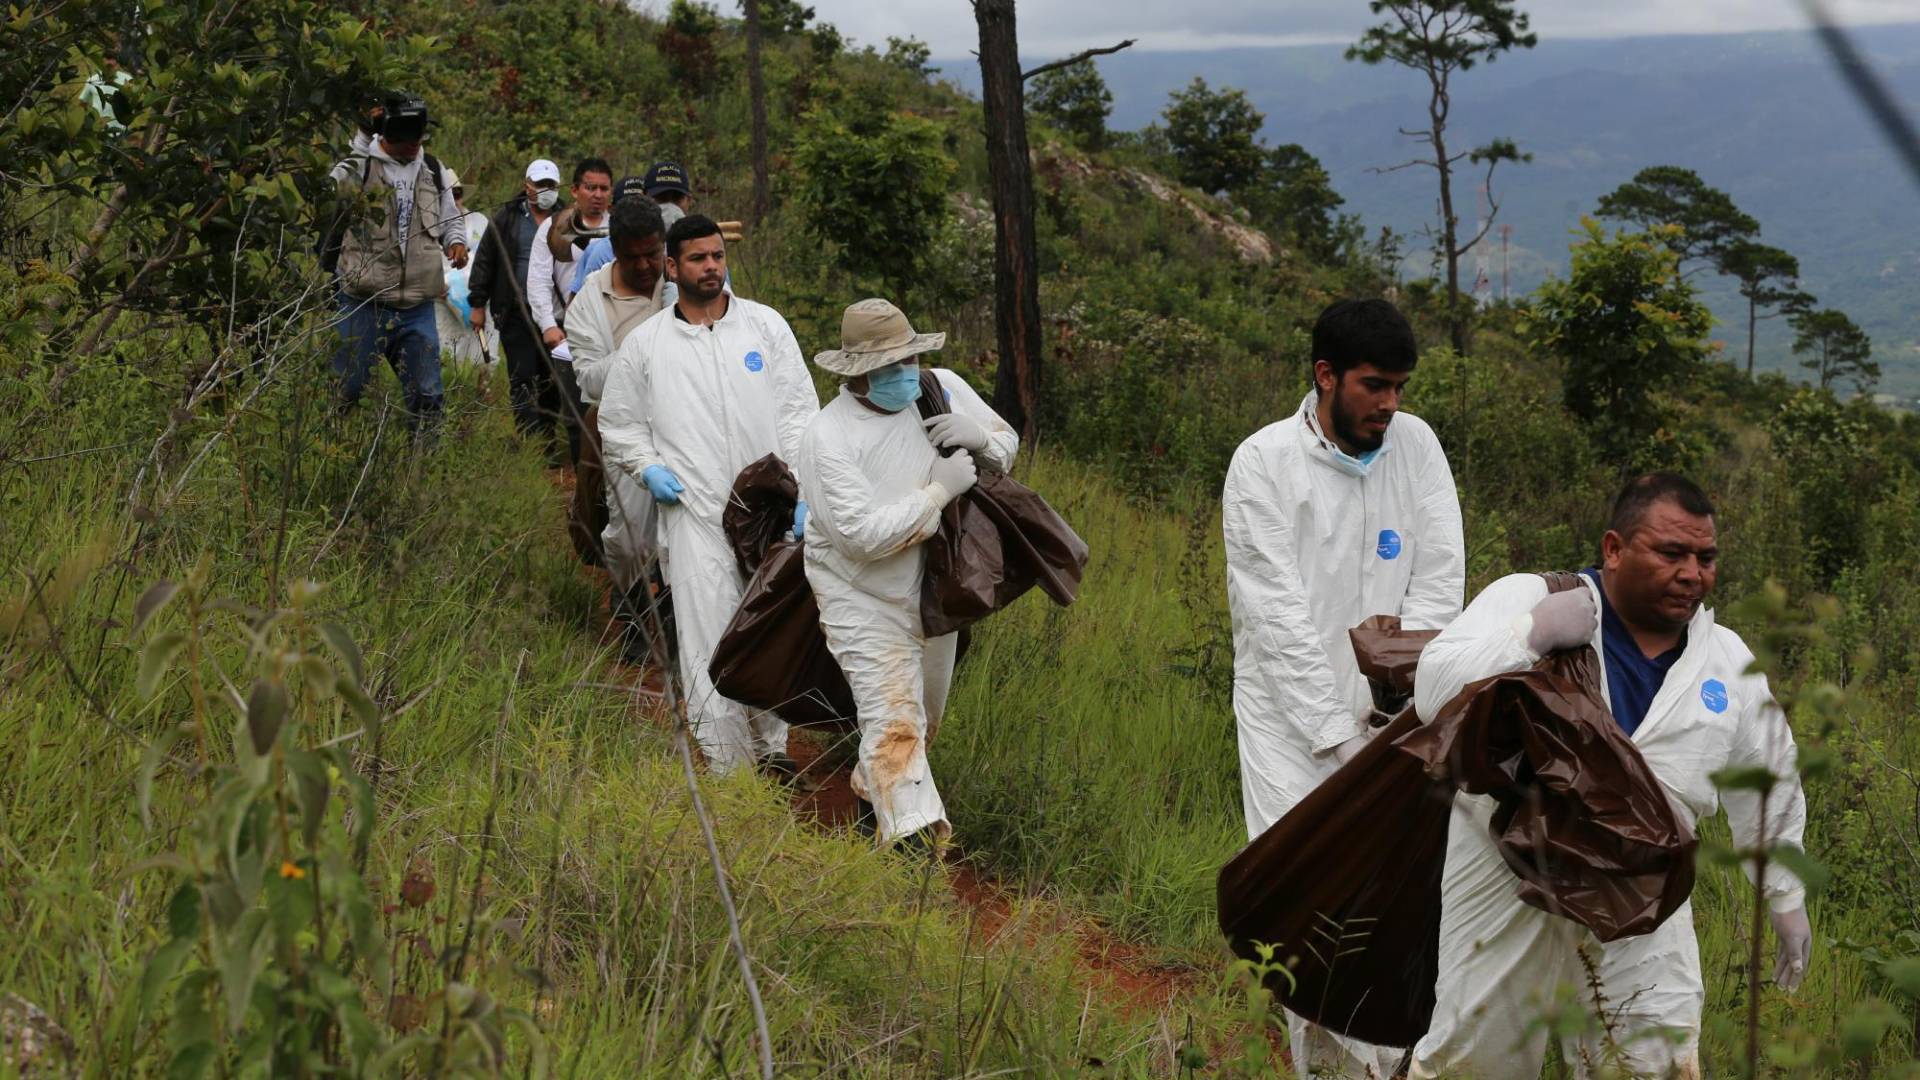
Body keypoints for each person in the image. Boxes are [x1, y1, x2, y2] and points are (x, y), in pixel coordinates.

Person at [1406, 473, 1811, 1079]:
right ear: (1614, 549)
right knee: (1477, 1054)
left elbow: (1770, 778)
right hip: (1508, 864)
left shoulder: (1725, 659)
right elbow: (1432, 691)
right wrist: (1530, 635)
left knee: (1651, 1061)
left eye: (1706, 558)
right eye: (1672, 553)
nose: (1692, 573)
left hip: (1645, 883)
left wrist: (1785, 894)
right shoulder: (1531, 597)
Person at [1221, 297, 1464, 1077]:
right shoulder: (1264, 464)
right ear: (1325, 376)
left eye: (1399, 387)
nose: (1390, 404)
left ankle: (1380, 1062)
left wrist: (1401, 697)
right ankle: (1325, 1067)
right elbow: (1277, 617)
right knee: (1306, 903)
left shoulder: (1416, 447)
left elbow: (1439, 579)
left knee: (1385, 905)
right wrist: (1335, 734)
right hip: (1289, 727)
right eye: (1373, 386)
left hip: (1393, 726)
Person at [598, 215, 820, 774]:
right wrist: (648, 468)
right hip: (694, 514)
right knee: (706, 639)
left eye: (717, 256)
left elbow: (798, 412)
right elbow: (620, 422)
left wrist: (804, 489)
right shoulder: (648, 345)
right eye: (698, 259)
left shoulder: (765, 328)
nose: (712, 267)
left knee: (768, 630)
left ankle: (772, 750)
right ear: (672, 268)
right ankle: (730, 769)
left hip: (770, 513)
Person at [799, 299, 1019, 848]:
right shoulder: (828, 437)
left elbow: (1006, 446)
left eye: (909, 360)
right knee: (895, 719)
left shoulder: (939, 386)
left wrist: (979, 438)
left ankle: (870, 800)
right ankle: (915, 851)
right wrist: (939, 491)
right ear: (858, 371)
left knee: (924, 719)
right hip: (859, 596)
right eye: (889, 366)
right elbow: (861, 538)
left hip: (933, 591)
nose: (904, 374)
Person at [565, 195, 671, 660]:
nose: (646, 265)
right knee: (629, 540)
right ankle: (627, 600)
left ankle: (669, 618)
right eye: (634, 257)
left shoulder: (677, 279)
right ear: (615, 250)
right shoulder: (590, 302)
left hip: (685, 423)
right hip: (623, 425)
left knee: (680, 532)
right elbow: (588, 378)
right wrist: (647, 351)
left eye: (653, 253)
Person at [328, 92, 467, 428]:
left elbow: (451, 218)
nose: (413, 145)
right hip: (363, 301)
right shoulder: (362, 165)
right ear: (386, 134)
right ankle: (332, 456)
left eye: (417, 137)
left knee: (428, 395)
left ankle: (422, 469)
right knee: (346, 388)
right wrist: (362, 135)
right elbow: (333, 190)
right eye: (406, 137)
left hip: (417, 305)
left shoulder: (432, 168)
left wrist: (457, 242)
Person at [468, 159, 562, 445]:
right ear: (527, 186)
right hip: (514, 311)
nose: (545, 190)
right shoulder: (506, 217)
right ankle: (528, 439)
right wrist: (477, 303)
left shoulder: (566, 218)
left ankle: (546, 439)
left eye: (550, 186)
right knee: (522, 377)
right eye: (540, 185)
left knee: (551, 380)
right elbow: (485, 260)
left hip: (555, 315)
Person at [572, 161, 697, 293]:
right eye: (661, 198)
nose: (670, 208)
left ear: (688, 200)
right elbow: (583, 305)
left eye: (677, 199)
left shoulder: (700, 244)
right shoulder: (606, 249)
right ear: (644, 197)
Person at [435, 167, 499, 366]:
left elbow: (492, 257)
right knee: (449, 355)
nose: (454, 200)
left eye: (457, 194)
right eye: (449, 195)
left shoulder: (480, 222)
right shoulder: (430, 225)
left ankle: (486, 392)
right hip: (443, 301)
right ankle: (455, 394)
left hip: (480, 299)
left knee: (486, 357)